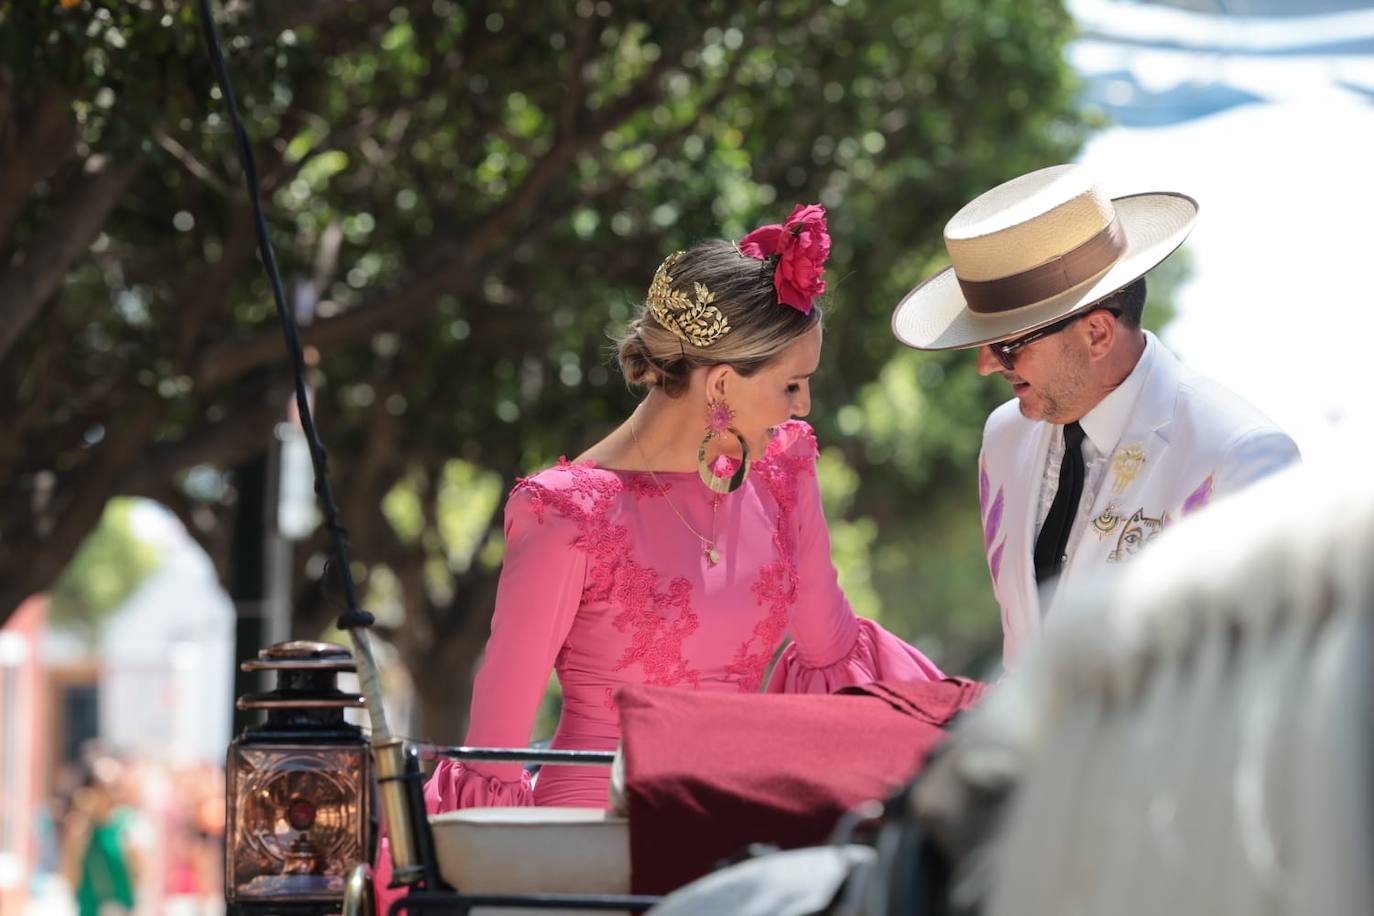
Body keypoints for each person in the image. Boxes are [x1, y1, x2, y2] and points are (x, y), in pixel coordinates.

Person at [427, 203, 943, 812]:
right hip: (593, 841)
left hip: (737, 824)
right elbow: (498, 750)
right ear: (721, 384)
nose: (802, 406)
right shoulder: (564, 514)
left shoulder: (783, 478)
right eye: (791, 384)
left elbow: (831, 659)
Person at [890, 164, 1298, 668]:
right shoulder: (1004, 436)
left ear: (1098, 334)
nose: (984, 365)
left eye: (1007, 346)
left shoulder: (1241, 456)